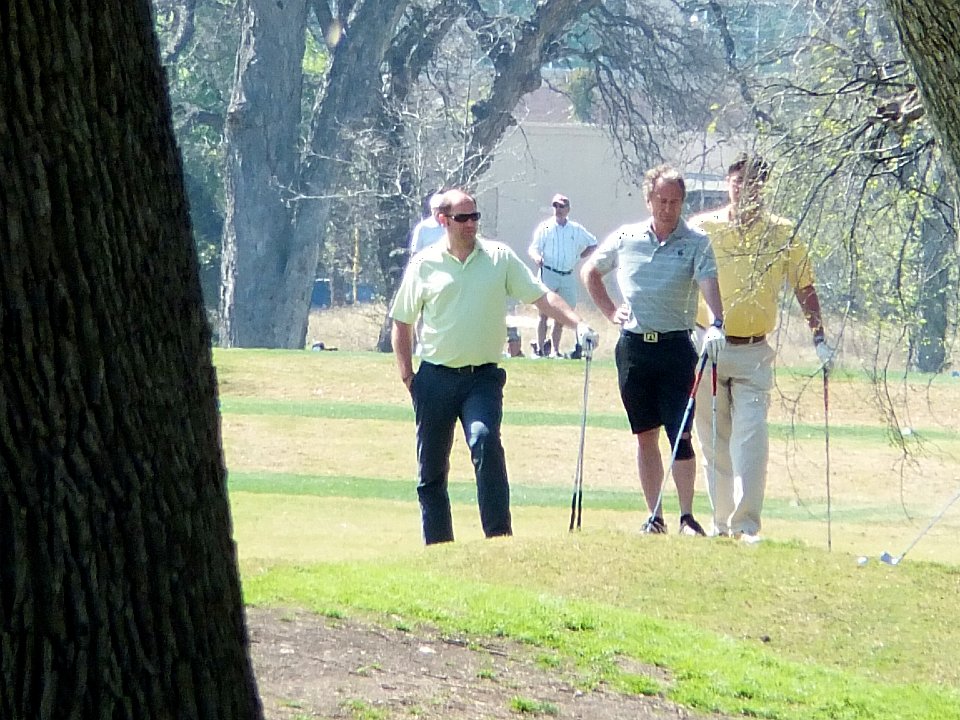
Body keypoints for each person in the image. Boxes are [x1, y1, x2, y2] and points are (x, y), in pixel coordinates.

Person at [391, 189, 599, 544]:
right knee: (431, 471)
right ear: (443, 221)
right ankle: (439, 547)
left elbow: (541, 296)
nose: (471, 224)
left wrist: (577, 324)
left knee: (485, 441)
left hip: (482, 379)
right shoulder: (424, 264)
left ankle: (499, 540)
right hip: (435, 377)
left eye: (475, 217)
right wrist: (408, 376)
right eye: (462, 218)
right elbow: (402, 322)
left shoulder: (499, 257)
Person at [689, 153, 834, 541]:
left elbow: (804, 286)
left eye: (753, 182)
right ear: (728, 184)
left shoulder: (782, 232)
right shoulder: (703, 228)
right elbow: (682, 277)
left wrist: (819, 338)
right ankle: (721, 524)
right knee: (714, 441)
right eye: (738, 181)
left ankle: (746, 525)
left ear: (763, 187)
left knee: (751, 437)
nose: (745, 189)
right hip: (709, 344)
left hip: (754, 350)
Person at [581, 164, 725, 536]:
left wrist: (716, 322)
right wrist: (610, 311)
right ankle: (655, 517)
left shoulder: (696, 241)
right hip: (634, 349)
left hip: (676, 348)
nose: (668, 208)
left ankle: (687, 517)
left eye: (675, 201)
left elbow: (708, 283)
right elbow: (591, 272)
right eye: (662, 200)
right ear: (649, 200)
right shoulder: (626, 237)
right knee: (646, 434)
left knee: (681, 433)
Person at [528, 193, 598, 358]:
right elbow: (533, 248)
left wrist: (579, 256)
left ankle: (555, 351)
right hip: (548, 273)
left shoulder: (575, 229)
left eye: (561, 206)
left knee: (561, 315)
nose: (558, 209)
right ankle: (540, 350)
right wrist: (536, 257)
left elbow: (593, 243)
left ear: (568, 209)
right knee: (543, 313)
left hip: (567, 275)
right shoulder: (545, 227)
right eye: (555, 206)